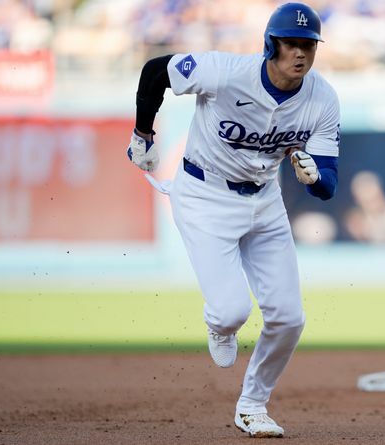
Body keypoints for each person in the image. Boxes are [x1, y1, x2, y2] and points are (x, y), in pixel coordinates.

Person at [126, 2, 340, 438]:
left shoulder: (323, 98)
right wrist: (143, 133)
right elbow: (155, 71)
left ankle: (253, 404)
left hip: (265, 202)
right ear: (270, 44)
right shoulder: (224, 71)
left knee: (289, 317)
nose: (300, 53)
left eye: (309, 45)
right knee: (231, 312)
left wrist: (315, 177)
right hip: (204, 195)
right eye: (291, 44)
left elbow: (328, 184)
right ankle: (220, 323)